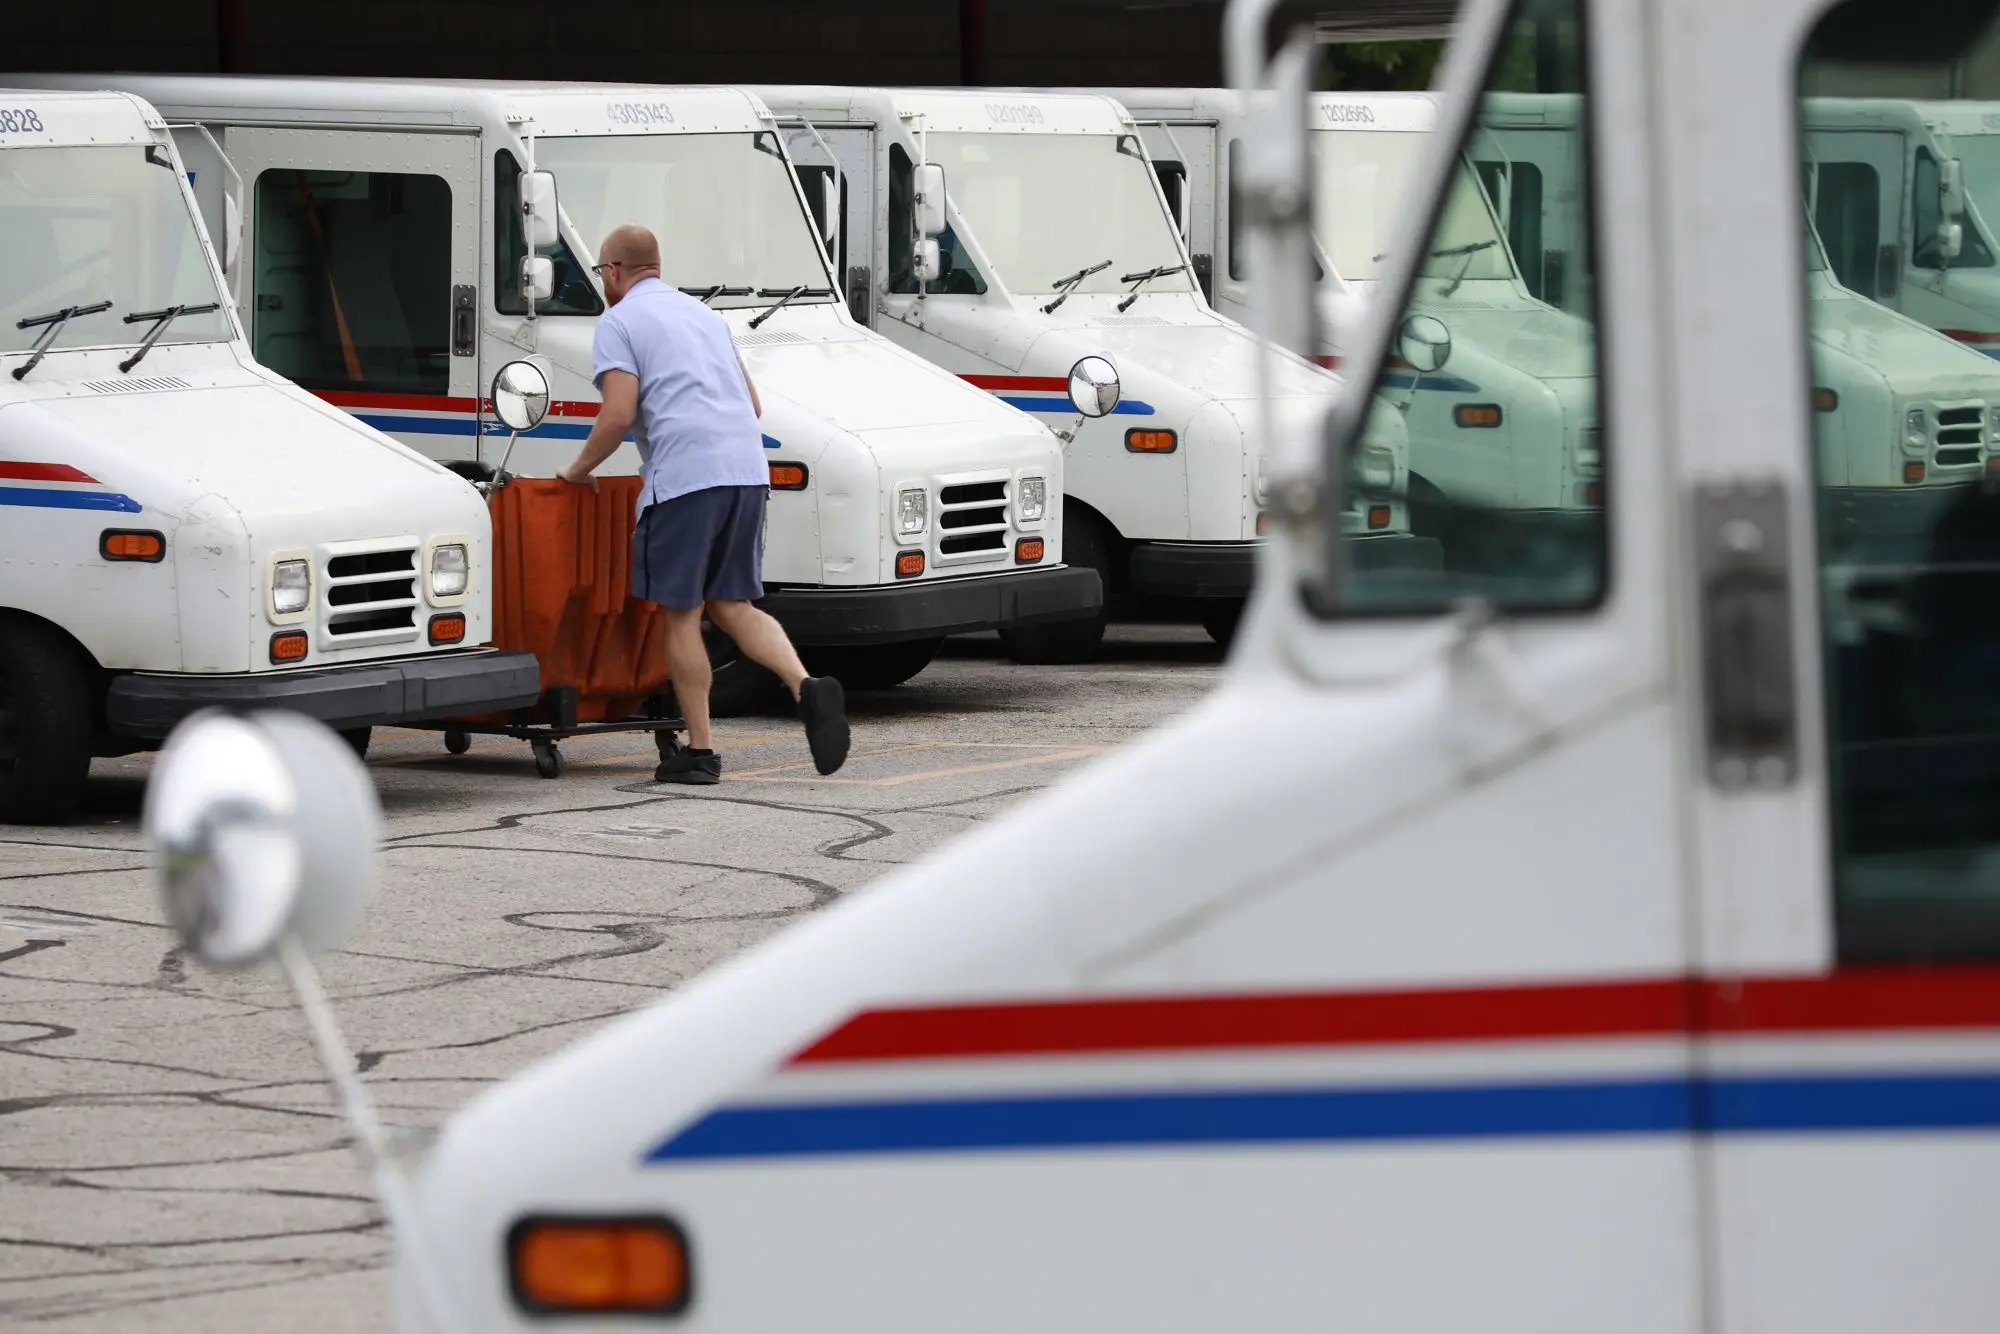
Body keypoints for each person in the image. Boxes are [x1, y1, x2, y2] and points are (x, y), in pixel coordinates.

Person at [557, 224, 848, 783]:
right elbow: (753, 403)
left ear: (613, 272)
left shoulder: (618, 322)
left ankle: (701, 752)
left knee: (681, 615)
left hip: (686, 479)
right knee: (732, 604)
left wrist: (578, 469)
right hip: (745, 470)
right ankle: (806, 685)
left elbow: (618, 414)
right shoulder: (705, 317)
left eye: (601, 273)